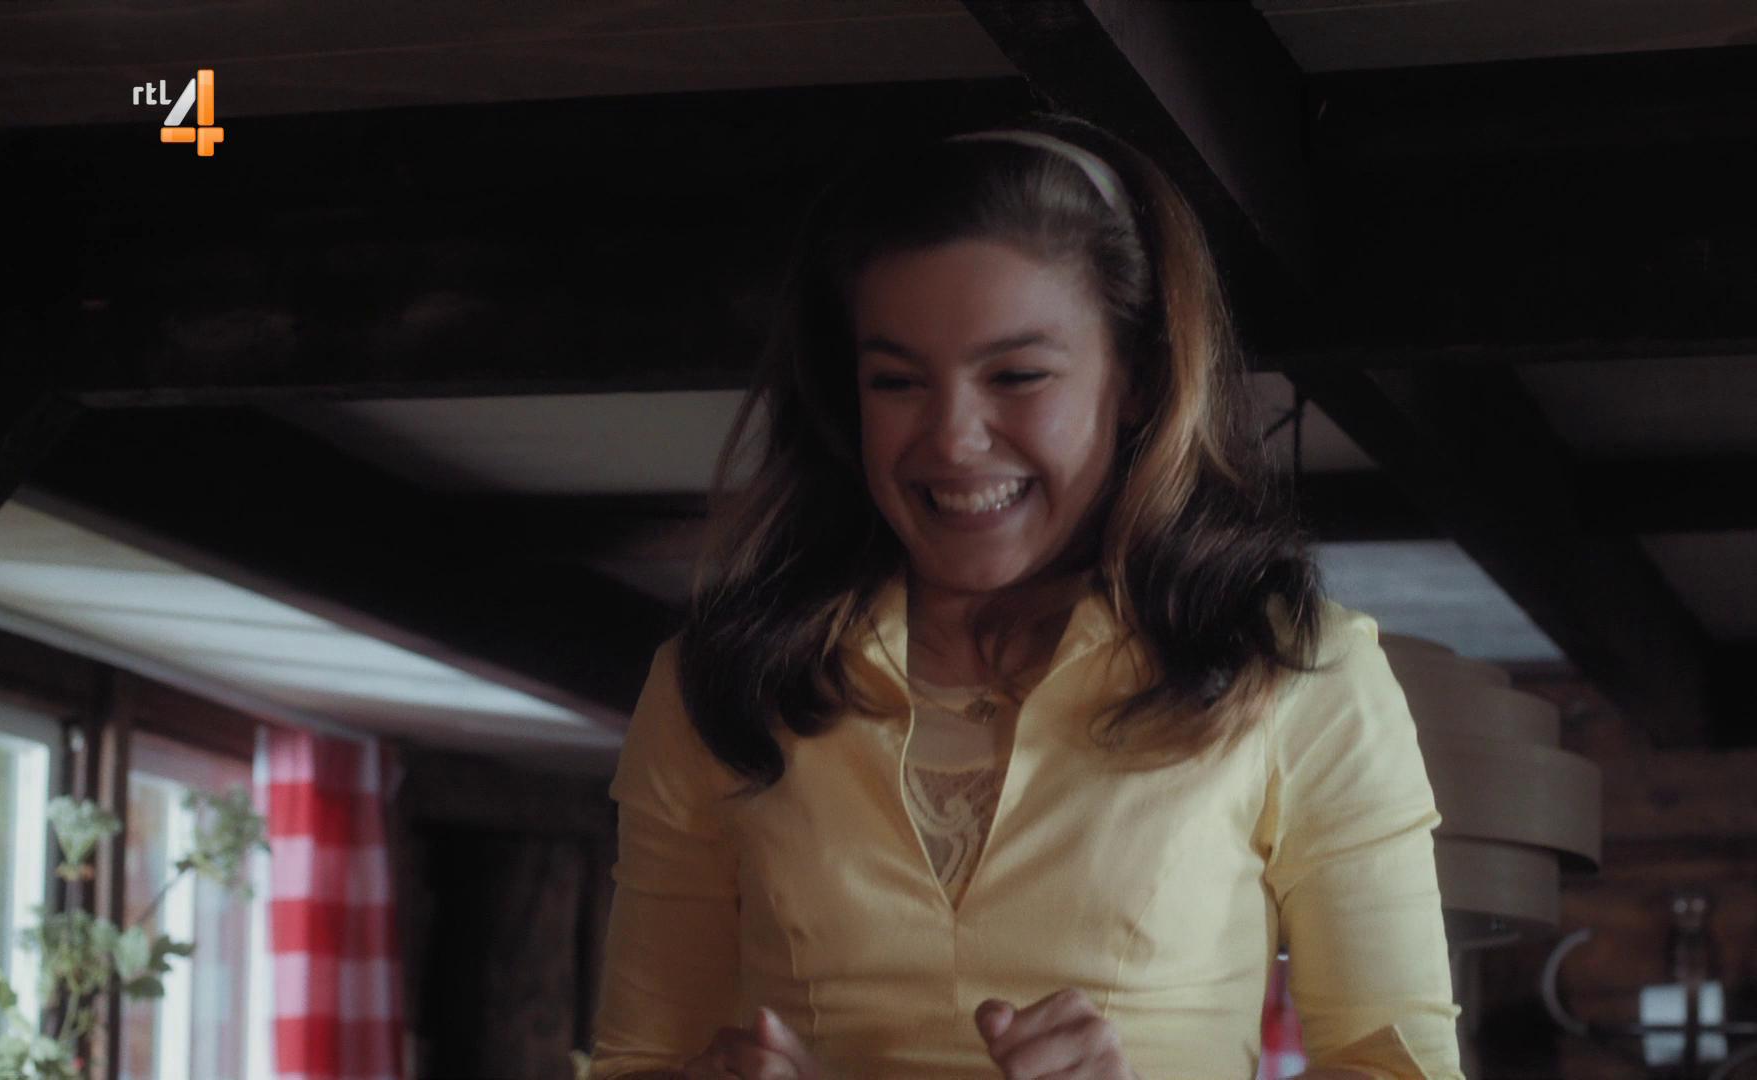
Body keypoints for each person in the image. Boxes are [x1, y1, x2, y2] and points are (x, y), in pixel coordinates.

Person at [591, 114, 1464, 1080]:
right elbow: (637, 1061)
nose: (952, 439)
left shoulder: (1300, 672)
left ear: (1139, 377)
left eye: (1017, 375)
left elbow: (1405, 1067)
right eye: (896, 381)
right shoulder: (717, 684)